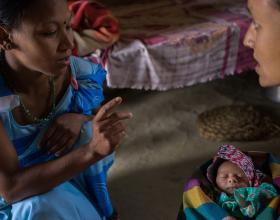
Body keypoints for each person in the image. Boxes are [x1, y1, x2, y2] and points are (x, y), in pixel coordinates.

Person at [0, 0, 132, 219]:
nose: (69, 44)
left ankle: (91, 203)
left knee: (88, 130)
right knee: (39, 207)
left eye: (68, 26)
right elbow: (11, 189)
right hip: (15, 197)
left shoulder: (75, 72)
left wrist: (80, 119)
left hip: (55, 174)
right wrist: (91, 151)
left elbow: (92, 112)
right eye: (50, 32)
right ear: (4, 37)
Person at [207, 145, 278, 219]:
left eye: (239, 177)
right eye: (224, 176)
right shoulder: (214, 195)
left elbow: (271, 192)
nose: (231, 180)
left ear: (251, 179)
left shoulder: (254, 190)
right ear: (215, 180)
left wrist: (246, 204)